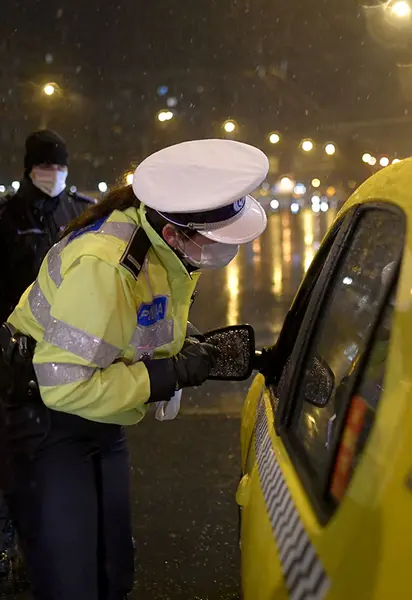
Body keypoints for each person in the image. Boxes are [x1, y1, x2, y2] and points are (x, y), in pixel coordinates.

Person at [0, 138, 270, 600]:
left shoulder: (164, 249)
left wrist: (189, 348)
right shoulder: (105, 267)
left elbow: (141, 320)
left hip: (99, 421)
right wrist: (166, 376)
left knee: (112, 574)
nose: (222, 256)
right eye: (216, 244)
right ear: (174, 232)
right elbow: (62, 384)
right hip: (44, 426)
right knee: (73, 583)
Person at [0, 129, 95, 322]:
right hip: (18, 323)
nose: (54, 172)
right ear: (30, 168)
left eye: (60, 166)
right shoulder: (7, 214)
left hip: (70, 322)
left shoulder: (82, 211)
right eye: (46, 165)